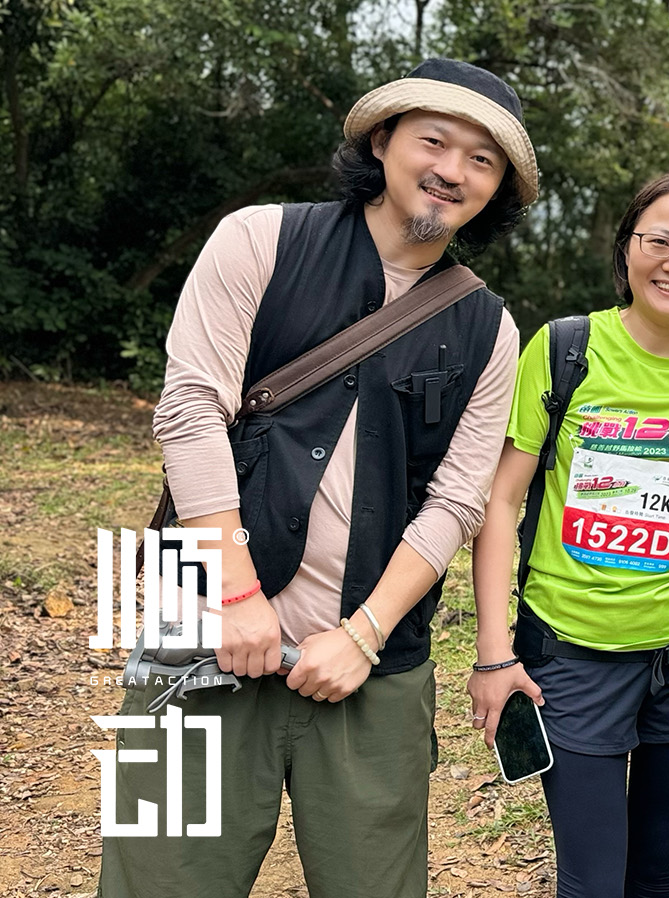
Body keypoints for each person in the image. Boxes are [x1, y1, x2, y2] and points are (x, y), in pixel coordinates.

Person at [107, 58, 537, 898]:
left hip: (372, 671)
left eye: (483, 160)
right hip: (196, 640)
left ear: (498, 190)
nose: (453, 170)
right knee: (157, 882)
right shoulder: (257, 239)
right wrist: (231, 595)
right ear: (383, 139)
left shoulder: (490, 329)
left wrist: (365, 634)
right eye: (435, 140)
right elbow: (191, 411)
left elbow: (457, 499)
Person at [467, 171, 669, 897]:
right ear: (627, 246)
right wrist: (494, 652)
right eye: (659, 241)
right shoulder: (567, 347)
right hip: (572, 656)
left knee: (658, 873)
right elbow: (501, 502)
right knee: (593, 881)